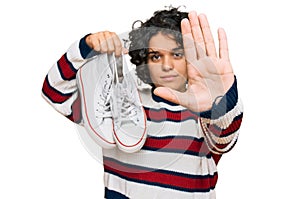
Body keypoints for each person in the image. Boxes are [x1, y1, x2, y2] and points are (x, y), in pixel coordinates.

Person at [42, 6, 243, 199]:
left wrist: (218, 102)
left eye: (177, 54)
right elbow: (54, 93)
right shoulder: (117, 104)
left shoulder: (204, 113)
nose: (166, 65)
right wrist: (85, 48)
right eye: (156, 56)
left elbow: (226, 138)